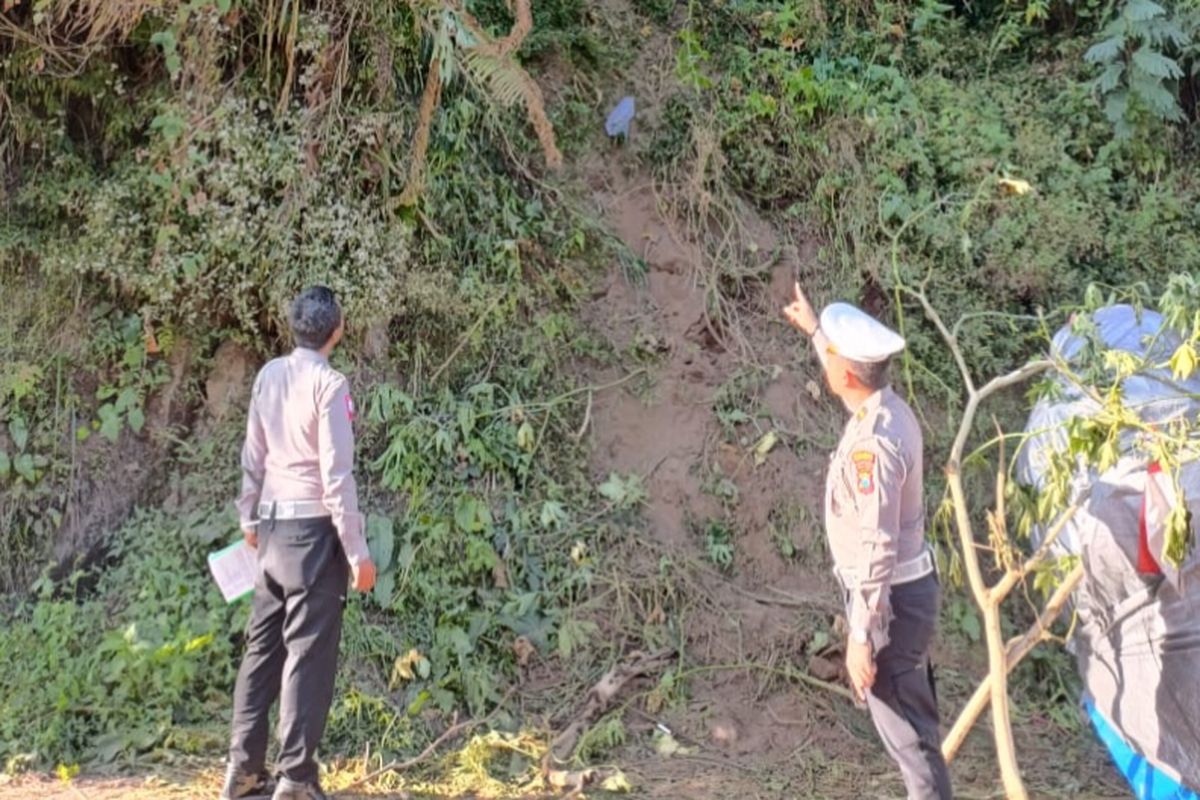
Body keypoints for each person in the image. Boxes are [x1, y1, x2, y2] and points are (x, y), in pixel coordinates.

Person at [783, 282, 952, 800]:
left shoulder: (874, 447)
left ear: (846, 372)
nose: (827, 363)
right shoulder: (886, 409)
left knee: (907, 736)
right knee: (912, 727)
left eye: (830, 355)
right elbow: (846, 377)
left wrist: (860, 636)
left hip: (890, 604)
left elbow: (878, 546)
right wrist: (817, 331)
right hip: (905, 594)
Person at [221, 287, 377, 800]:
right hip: (313, 535)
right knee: (306, 655)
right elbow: (337, 476)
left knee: (263, 649)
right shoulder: (329, 386)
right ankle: (296, 778)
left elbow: (254, 455)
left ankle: (243, 769)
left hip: (270, 532)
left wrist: (249, 516)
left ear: (296, 328)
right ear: (338, 330)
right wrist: (356, 552)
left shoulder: (269, 375)